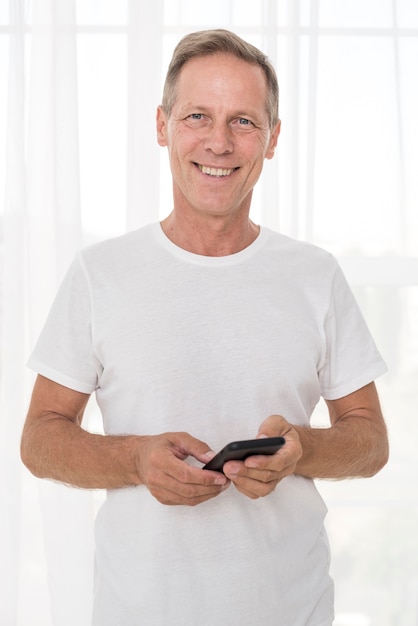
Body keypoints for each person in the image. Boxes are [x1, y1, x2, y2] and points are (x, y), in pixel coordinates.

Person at [21, 29, 389, 626]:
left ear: (272, 140)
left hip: (291, 612)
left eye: (243, 121)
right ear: (162, 126)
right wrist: (135, 459)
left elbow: (371, 440)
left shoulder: (315, 275)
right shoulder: (100, 273)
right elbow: (39, 438)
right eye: (198, 116)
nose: (219, 143)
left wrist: (303, 449)